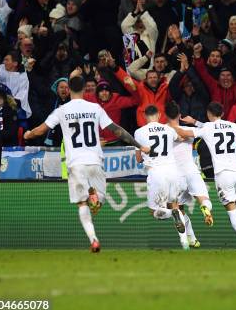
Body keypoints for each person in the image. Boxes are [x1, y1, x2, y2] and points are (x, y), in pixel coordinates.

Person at [23, 72, 150, 253]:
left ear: (69, 89)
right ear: (84, 89)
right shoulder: (95, 108)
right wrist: (139, 145)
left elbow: (41, 130)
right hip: (94, 160)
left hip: (75, 163)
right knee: (99, 202)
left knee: (82, 204)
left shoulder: (62, 110)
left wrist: (28, 134)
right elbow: (117, 129)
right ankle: (95, 198)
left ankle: (94, 239)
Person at [178, 102, 236, 249]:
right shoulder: (232, 126)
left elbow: (185, 133)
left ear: (208, 114)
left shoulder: (207, 128)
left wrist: (171, 125)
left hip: (223, 173)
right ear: (222, 113)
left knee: (231, 207)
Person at [134, 105, 190, 249]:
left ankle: (172, 213)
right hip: (173, 171)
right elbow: (181, 138)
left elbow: (139, 159)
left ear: (144, 116)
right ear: (159, 115)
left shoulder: (139, 132)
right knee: (176, 205)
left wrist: (143, 152)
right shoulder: (169, 129)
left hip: (157, 173)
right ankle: (185, 243)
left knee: (155, 211)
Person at [165, 102, 214, 234]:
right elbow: (212, 128)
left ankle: (190, 238)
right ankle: (205, 208)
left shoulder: (163, 132)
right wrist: (194, 121)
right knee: (204, 198)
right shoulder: (188, 131)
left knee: (178, 208)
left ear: (165, 116)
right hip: (191, 170)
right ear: (179, 115)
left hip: (175, 174)